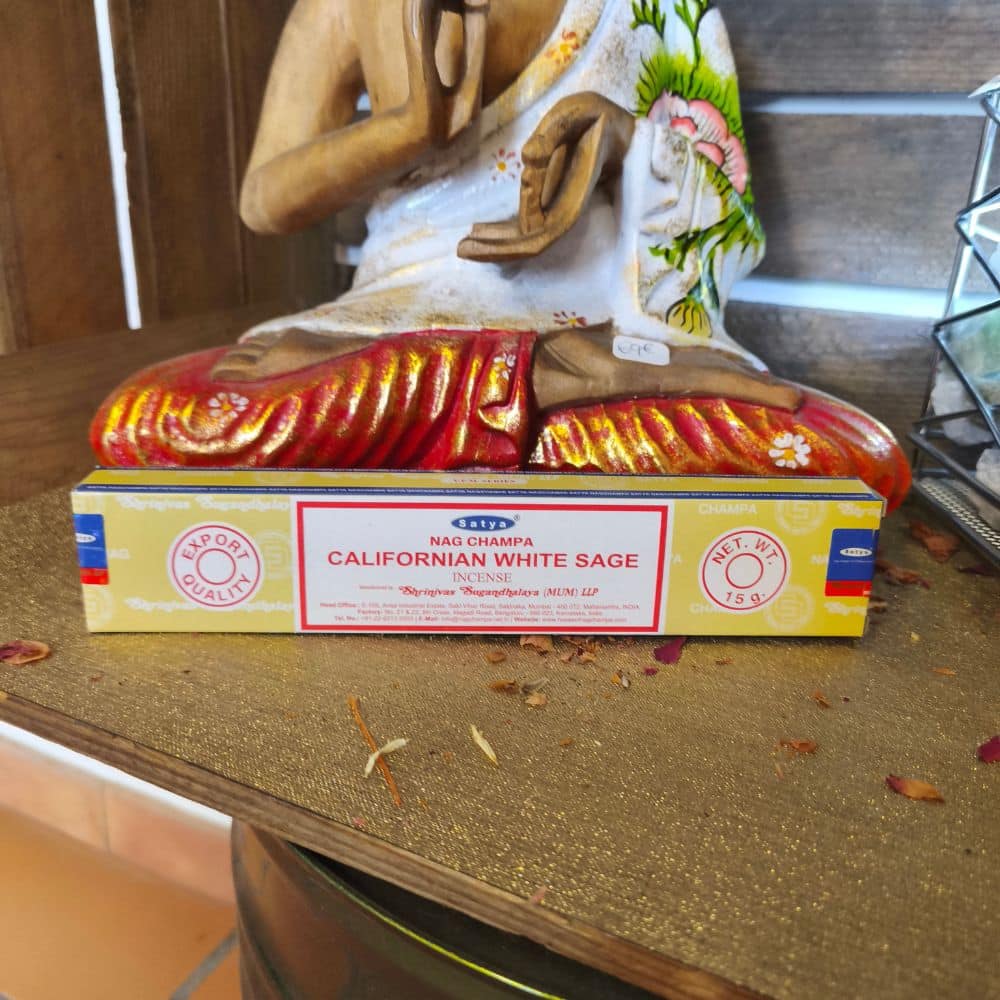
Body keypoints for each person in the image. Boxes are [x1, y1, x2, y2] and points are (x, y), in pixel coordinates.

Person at [91, 0, 909, 510]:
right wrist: (402, 132)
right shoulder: (343, 7)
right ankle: (552, 380)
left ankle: (549, 375)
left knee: (840, 451)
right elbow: (265, 201)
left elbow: (723, 211)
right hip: (400, 319)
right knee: (171, 417)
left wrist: (624, 143)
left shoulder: (657, 9)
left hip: (603, 318)